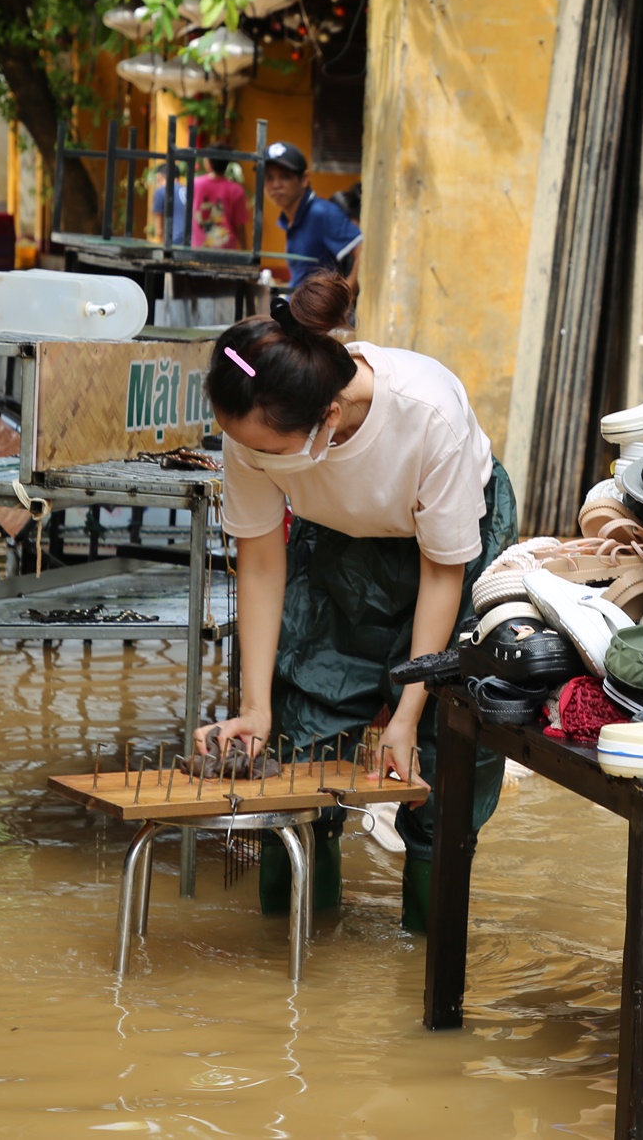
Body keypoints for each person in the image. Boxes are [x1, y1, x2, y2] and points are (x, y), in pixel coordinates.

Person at [193, 269, 513, 929]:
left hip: (453, 545)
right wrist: (253, 708)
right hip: (340, 532)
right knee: (301, 725)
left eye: (265, 450)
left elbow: (442, 574)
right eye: (242, 442)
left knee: (444, 741)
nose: (249, 457)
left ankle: (430, 950)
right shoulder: (257, 417)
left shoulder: (430, 417)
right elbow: (259, 561)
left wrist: (404, 710)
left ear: (329, 417)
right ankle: (297, 947)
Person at [263, 141, 361, 289]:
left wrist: (349, 290)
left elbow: (363, 250)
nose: (275, 184)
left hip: (319, 310)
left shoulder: (320, 212)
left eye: (285, 176)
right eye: (269, 177)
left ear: (304, 179)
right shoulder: (289, 218)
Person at [191, 157, 248, 250]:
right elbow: (240, 226)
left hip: (198, 249)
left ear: (208, 162)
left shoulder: (195, 184)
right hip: (226, 251)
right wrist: (244, 250)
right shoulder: (236, 189)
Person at [149, 164, 190, 246]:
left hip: (175, 242)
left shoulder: (161, 192)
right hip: (193, 240)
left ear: (160, 176)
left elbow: (159, 229)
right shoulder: (188, 190)